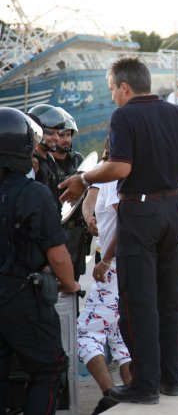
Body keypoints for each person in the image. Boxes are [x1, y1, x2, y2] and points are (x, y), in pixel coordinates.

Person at [59, 57, 178, 404]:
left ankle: (145, 385)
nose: (112, 96)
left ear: (125, 87)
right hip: (174, 210)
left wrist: (83, 177)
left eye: (112, 88)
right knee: (169, 300)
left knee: (139, 301)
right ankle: (171, 379)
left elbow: (120, 166)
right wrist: (177, 170)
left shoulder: (125, 115)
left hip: (141, 212)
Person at [0, 107, 80, 414]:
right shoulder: (33, 193)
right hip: (22, 297)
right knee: (48, 368)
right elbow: (58, 255)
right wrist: (71, 284)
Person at [78, 174, 132, 415]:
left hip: (115, 268)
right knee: (122, 337)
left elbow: (127, 223)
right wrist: (90, 218)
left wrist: (107, 260)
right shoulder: (139, 173)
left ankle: (110, 396)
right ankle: (132, 397)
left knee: (87, 334)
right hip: (135, 267)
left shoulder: (114, 179)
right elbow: (89, 199)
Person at [52, 107, 90, 282]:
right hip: (54, 230)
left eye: (68, 135)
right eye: (61, 135)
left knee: (73, 279)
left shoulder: (78, 160)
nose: (65, 139)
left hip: (76, 231)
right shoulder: (45, 163)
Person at [28, 104, 64, 208]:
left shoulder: (50, 159)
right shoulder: (30, 163)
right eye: (52, 133)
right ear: (37, 132)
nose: (57, 138)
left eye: (58, 133)